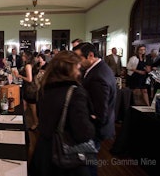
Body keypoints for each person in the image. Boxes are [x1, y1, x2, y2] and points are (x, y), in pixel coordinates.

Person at [30, 50, 95, 176]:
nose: (79, 71)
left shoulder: (44, 89)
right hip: (64, 156)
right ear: (70, 69)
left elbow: (40, 116)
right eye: (77, 67)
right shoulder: (75, 92)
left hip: (43, 151)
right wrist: (92, 121)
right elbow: (83, 132)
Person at [72, 42, 116, 176]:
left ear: (90, 55)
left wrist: (86, 124)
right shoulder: (97, 69)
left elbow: (100, 112)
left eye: (79, 58)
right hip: (94, 128)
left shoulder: (98, 76)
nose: (77, 62)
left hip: (94, 130)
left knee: (88, 166)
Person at [15, 50, 39, 131]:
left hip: (30, 89)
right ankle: (20, 121)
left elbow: (29, 79)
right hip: (29, 88)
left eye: (23, 56)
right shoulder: (30, 64)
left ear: (27, 57)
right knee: (24, 105)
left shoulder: (28, 66)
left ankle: (36, 123)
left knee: (33, 108)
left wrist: (20, 76)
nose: (22, 57)